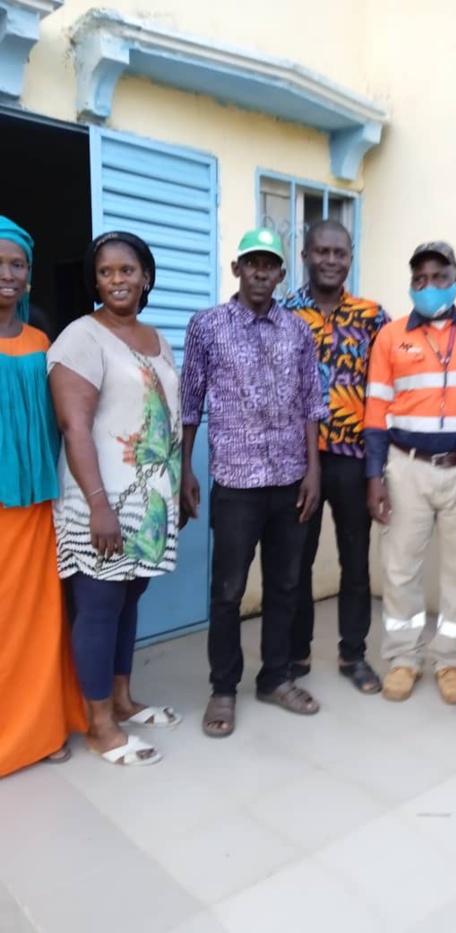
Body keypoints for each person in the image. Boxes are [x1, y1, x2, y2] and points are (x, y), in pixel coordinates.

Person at [180, 228, 327, 737]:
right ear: (237, 269)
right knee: (228, 591)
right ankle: (224, 689)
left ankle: (276, 677)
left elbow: (313, 402)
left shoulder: (298, 332)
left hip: (290, 480)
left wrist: (313, 470)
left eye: (270, 265)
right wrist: (184, 470)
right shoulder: (207, 326)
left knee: (285, 585)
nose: (261, 272)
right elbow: (190, 401)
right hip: (237, 483)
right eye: (252, 263)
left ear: (283, 274)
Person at [48, 231, 182, 767]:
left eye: (128, 270)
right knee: (99, 607)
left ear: (146, 276)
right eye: (106, 272)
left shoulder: (157, 338)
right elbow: (73, 426)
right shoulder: (81, 337)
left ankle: (123, 701)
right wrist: (99, 504)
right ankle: (99, 724)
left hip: (147, 501)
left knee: (129, 599)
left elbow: (164, 418)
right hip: (97, 500)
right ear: (95, 281)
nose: (118, 280)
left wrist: (176, 490)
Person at [365, 242, 456, 704]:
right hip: (407, 467)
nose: (429, 286)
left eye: (439, 277)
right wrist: (374, 476)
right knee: (400, 569)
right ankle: (404, 658)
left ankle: (452, 662)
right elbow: (376, 410)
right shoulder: (391, 336)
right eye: (419, 279)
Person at [283, 220, 389, 694]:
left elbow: (396, 374)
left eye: (339, 253)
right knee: (296, 560)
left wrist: (377, 469)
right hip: (296, 460)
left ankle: (354, 653)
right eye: (321, 251)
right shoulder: (284, 313)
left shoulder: (372, 316)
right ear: (304, 255)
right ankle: (297, 649)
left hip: (351, 457)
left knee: (355, 559)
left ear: (350, 257)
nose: (330, 260)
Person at [0, 216, 87, 777]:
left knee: (39, 622)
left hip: (34, 511)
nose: (7, 275)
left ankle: (43, 728)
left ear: (29, 277)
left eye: (16, 265)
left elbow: (66, 422)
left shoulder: (42, 343)